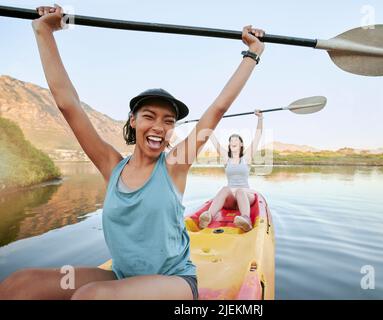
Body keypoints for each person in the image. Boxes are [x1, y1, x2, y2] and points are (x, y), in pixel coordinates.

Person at [0, 5, 266, 300]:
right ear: (133, 121)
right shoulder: (110, 164)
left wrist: (251, 55)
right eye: (149, 116)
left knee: (91, 297)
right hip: (123, 276)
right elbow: (68, 103)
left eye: (168, 121)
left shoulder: (175, 164)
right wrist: (44, 31)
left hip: (174, 282)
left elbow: (217, 110)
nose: (159, 126)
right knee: (19, 285)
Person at [198, 109, 263, 232]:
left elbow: (257, 137)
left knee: (240, 191)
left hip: (245, 196)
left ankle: (246, 219)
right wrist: (208, 122)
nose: (233, 142)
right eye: (231, 141)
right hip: (230, 198)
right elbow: (213, 139)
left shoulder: (247, 157)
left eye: (236, 140)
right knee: (224, 189)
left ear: (241, 145)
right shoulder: (226, 158)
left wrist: (260, 118)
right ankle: (208, 216)